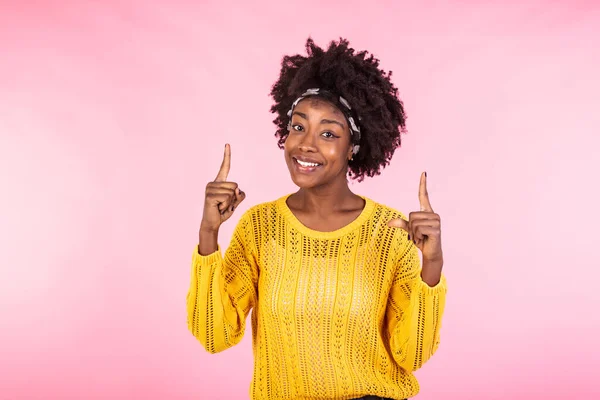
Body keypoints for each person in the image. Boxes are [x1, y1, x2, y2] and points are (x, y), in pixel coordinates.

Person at [186, 37, 447, 400]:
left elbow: (412, 355)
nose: (306, 144)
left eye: (328, 133)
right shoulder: (259, 228)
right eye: (298, 127)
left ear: (353, 147)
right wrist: (208, 234)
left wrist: (431, 265)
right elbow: (214, 335)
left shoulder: (390, 234)